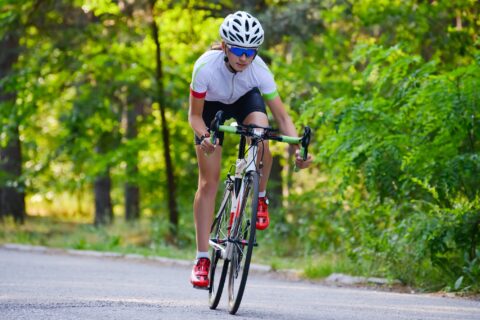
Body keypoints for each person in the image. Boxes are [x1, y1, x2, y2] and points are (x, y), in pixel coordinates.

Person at [188, 11, 313, 288]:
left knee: (262, 134)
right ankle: (201, 259)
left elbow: (282, 118)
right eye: (238, 50)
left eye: (251, 51)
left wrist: (297, 150)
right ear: (224, 46)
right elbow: (194, 117)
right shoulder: (204, 68)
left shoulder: (259, 70)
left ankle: (261, 196)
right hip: (211, 109)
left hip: (245, 100)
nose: (244, 57)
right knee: (209, 182)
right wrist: (205, 136)